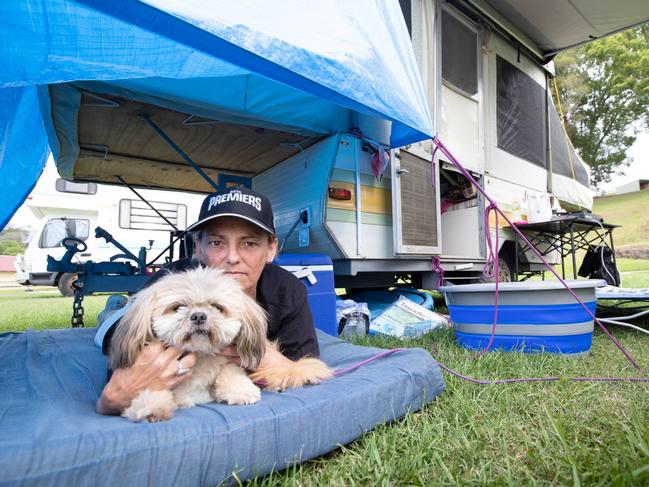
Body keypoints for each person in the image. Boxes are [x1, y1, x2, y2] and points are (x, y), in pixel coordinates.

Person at [96, 186, 319, 415]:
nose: (232, 258)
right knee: (112, 315)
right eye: (216, 243)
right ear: (198, 248)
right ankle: (114, 305)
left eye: (249, 243)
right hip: (123, 316)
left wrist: (263, 359)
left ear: (271, 249)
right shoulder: (172, 280)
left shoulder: (288, 291)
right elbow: (119, 342)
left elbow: (305, 366)